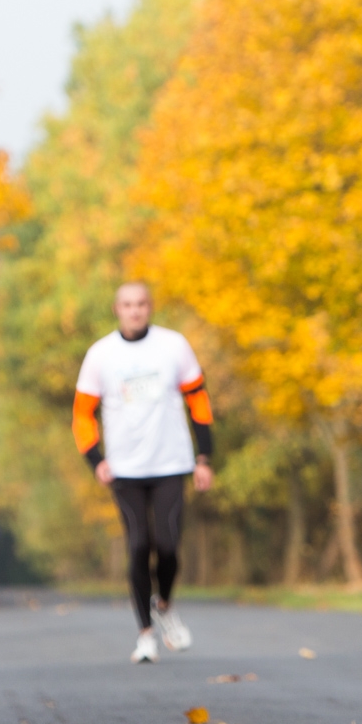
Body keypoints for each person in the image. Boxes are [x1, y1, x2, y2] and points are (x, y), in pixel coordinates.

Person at [72, 282, 215, 663]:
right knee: (138, 546)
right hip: (125, 467)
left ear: (150, 307)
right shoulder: (101, 354)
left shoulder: (174, 345)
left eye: (140, 304)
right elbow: (82, 413)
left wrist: (205, 458)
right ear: (117, 309)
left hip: (171, 462)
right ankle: (145, 634)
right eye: (127, 305)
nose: (134, 311)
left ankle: (164, 605)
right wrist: (95, 459)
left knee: (167, 546)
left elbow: (198, 399)